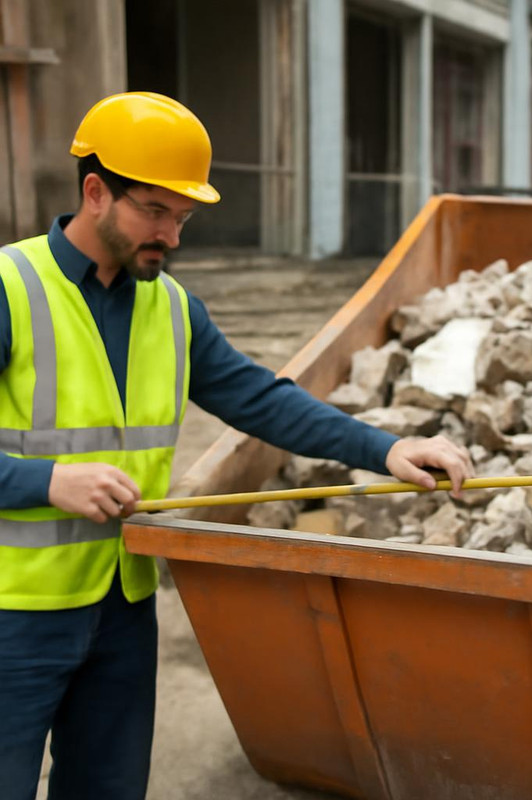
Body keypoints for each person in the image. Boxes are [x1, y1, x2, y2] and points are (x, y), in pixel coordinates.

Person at [0, 91, 473, 800]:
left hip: (121, 609)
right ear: (94, 192)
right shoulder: (10, 288)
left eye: (182, 217)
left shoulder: (173, 308)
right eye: (154, 212)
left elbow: (262, 401)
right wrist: (47, 482)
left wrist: (385, 448)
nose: (173, 236)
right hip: (16, 617)